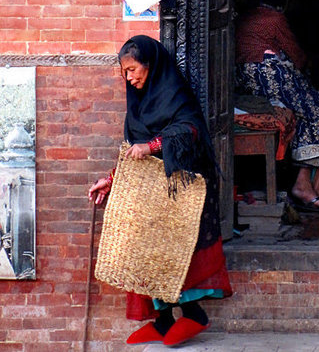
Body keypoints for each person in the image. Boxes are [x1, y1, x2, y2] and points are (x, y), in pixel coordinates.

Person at [88, 35, 232, 346]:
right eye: (124, 72)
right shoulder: (137, 103)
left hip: (181, 186)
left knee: (173, 252)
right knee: (145, 252)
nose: (129, 77)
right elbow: (132, 152)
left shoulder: (174, 93)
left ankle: (195, 315)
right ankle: (163, 322)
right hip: (150, 191)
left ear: (150, 65)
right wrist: (110, 180)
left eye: (133, 70)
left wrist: (152, 145)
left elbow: (190, 129)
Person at [235, 0, 319, 211]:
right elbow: (295, 54)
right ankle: (308, 185)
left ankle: (315, 186)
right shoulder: (274, 18)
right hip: (273, 83)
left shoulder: (245, 17)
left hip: (256, 88)